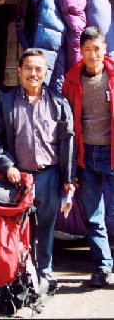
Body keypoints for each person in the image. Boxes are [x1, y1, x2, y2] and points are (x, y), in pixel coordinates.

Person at [0, 48, 76, 290]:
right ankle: (21, 272)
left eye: (38, 69)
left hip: (49, 175)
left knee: (46, 228)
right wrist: (8, 166)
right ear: (19, 72)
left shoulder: (58, 102)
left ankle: (44, 273)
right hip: (19, 179)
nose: (33, 74)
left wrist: (68, 178)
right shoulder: (7, 102)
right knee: (20, 228)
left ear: (45, 72)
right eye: (28, 68)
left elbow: (68, 141)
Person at [62, 26, 114, 287]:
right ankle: (103, 267)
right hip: (85, 157)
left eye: (97, 49)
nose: (92, 55)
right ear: (80, 52)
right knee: (94, 215)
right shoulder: (72, 80)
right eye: (87, 50)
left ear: (105, 49)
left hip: (113, 153)